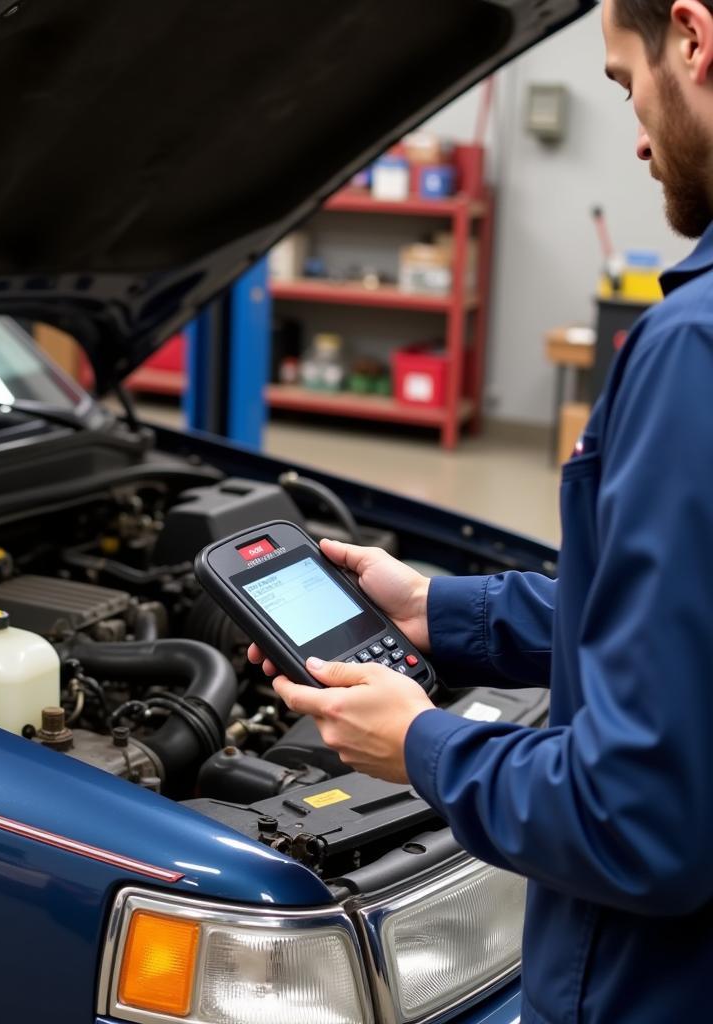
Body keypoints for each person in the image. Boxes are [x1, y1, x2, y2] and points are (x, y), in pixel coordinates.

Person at [248, 2, 713, 1020]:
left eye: (622, 81)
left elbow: (635, 822)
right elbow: (689, 617)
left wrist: (421, 745)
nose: (636, 132)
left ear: (692, 38)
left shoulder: (692, 348)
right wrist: (439, 611)